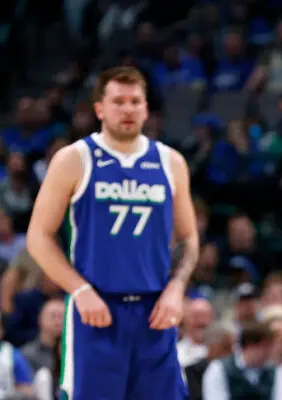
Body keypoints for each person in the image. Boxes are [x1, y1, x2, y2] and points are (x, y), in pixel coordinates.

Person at [26, 66, 200, 399]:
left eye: (136, 101)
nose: (128, 109)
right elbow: (38, 237)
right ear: (99, 109)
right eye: (118, 101)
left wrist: (176, 288)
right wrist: (79, 290)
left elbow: (189, 239)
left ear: (146, 108)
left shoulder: (170, 162)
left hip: (155, 313)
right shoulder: (74, 159)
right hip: (97, 311)